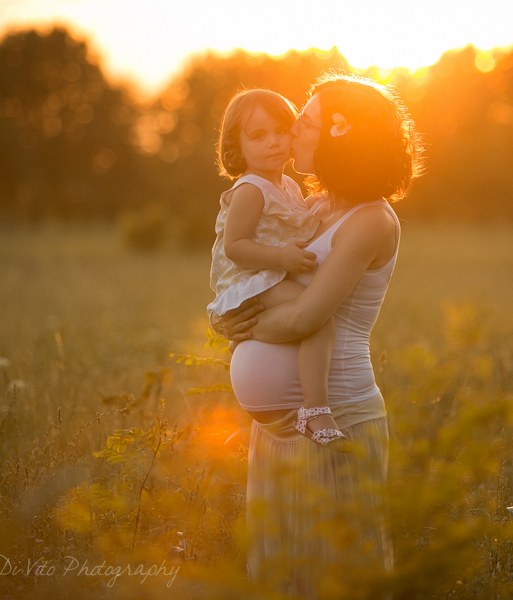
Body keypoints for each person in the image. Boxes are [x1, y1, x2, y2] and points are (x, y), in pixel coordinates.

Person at [213, 73, 423, 599]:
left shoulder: (372, 220)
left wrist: (236, 323)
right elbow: (250, 260)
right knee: (286, 576)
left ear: (338, 136)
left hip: (336, 418)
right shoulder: (317, 203)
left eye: (302, 123)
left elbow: (307, 318)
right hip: (281, 428)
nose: (292, 134)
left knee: (336, 578)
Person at [208, 88, 349, 450]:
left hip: (266, 277)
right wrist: (281, 258)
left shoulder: (286, 185)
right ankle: (315, 409)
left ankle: (309, 403)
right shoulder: (250, 189)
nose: (273, 142)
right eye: (258, 136)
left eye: (281, 130)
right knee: (317, 318)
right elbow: (234, 247)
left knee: (311, 317)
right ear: (237, 147)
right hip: (251, 280)